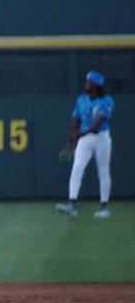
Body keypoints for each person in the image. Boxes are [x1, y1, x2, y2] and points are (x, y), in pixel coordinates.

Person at [56, 71, 114, 219]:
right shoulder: (81, 99)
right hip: (85, 139)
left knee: (103, 170)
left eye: (88, 82)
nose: (86, 84)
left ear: (95, 85)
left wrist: (80, 134)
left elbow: (96, 124)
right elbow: (75, 121)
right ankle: (72, 204)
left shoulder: (107, 101)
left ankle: (103, 207)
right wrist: (69, 143)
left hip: (101, 137)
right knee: (77, 166)